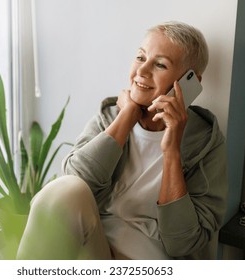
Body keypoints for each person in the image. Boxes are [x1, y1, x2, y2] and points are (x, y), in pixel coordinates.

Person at [17, 21, 228, 260]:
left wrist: (172, 150)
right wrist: (126, 117)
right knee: (63, 189)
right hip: (93, 247)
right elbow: (73, 185)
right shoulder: (110, 116)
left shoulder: (206, 143)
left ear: (191, 81)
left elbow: (184, 244)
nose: (142, 71)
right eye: (140, 57)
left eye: (160, 64)